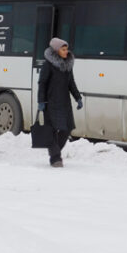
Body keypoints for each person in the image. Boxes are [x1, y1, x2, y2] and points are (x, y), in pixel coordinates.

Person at [37, 38, 82, 168]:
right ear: (56, 51)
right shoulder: (48, 65)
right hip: (50, 102)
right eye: (63, 49)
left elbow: (71, 83)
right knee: (51, 130)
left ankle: (53, 150)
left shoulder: (67, 65)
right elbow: (42, 83)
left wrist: (78, 97)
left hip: (64, 103)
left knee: (67, 129)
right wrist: (41, 101)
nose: (66, 51)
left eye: (66, 49)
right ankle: (55, 158)